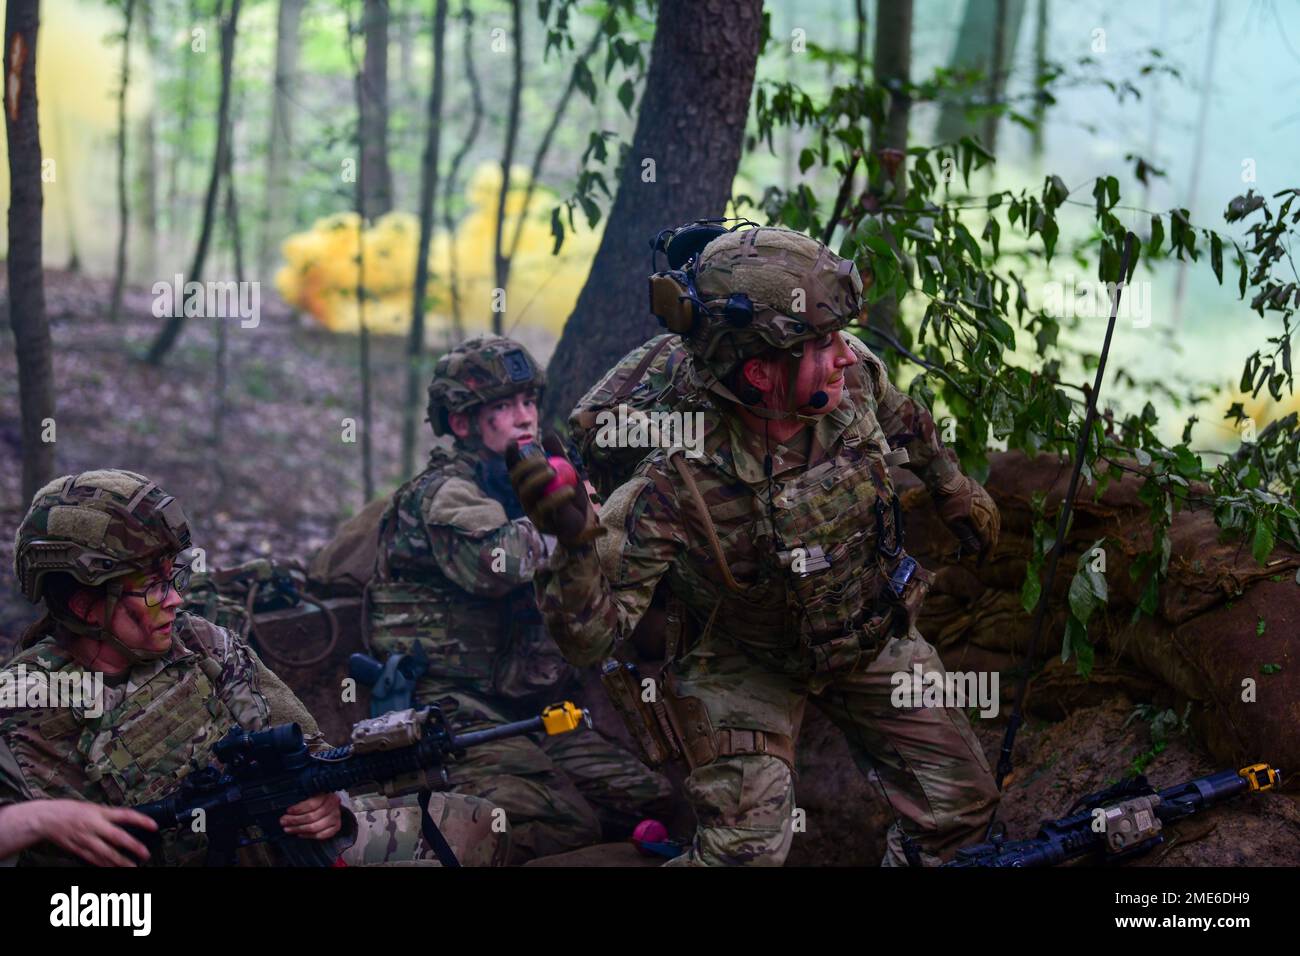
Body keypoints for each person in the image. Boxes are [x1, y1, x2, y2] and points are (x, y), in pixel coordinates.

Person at [510, 224, 1002, 866]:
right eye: (822, 343)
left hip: (865, 628)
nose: (846, 355)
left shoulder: (849, 382)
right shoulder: (673, 480)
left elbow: (902, 416)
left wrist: (953, 488)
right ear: (761, 373)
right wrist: (571, 544)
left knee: (962, 812)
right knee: (743, 854)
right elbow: (592, 638)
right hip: (740, 656)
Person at [0, 468, 504, 867]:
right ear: (86, 605)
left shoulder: (198, 643)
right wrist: (38, 819)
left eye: (171, 576)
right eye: (152, 586)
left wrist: (328, 805)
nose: (175, 598)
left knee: (480, 824)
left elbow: (311, 754)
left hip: (273, 847)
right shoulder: (23, 705)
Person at [366, 336, 673, 863]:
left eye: (528, 402)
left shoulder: (529, 475)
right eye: (503, 407)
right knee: (565, 824)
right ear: (462, 423)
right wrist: (566, 524)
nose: (524, 417)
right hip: (451, 712)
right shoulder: (443, 491)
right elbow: (496, 562)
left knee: (651, 800)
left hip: (533, 710)